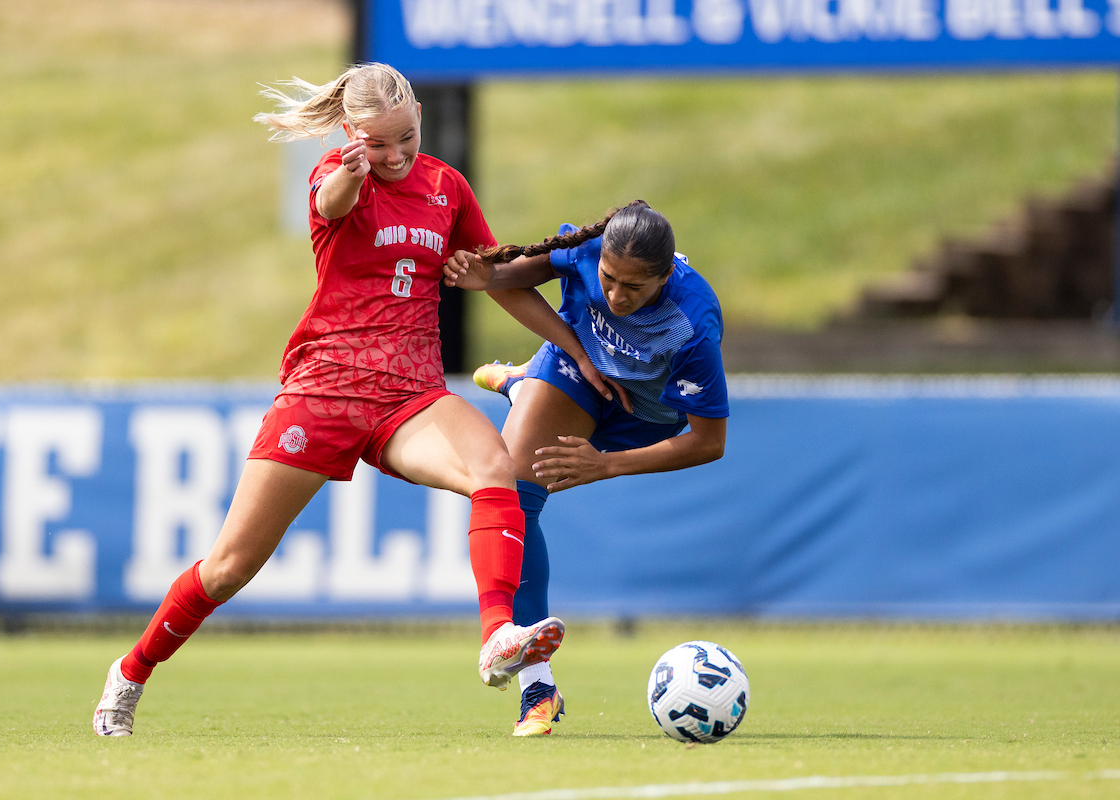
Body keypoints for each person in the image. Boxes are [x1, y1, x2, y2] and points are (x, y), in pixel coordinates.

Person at [93, 62, 568, 737]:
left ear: (420, 118)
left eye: (406, 137)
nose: (395, 155)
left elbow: (495, 276)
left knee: (496, 469)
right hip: (324, 393)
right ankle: (130, 673)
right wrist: (351, 169)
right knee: (228, 569)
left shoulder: (446, 187)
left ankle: (497, 637)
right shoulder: (336, 175)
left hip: (411, 395)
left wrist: (571, 346)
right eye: (377, 143)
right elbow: (331, 204)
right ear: (350, 134)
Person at [443, 200, 730, 736]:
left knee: (523, 460)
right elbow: (500, 281)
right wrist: (574, 351)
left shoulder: (693, 323)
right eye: (609, 280)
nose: (617, 296)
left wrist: (607, 465)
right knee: (512, 495)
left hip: (641, 416)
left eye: (634, 288)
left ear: (665, 276)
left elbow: (709, 441)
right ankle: (538, 687)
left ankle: (521, 385)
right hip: (576, 372)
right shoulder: (587, 249)